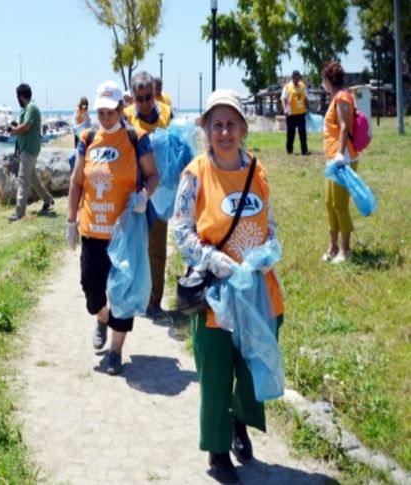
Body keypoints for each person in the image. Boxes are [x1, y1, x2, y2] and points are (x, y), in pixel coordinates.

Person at [174, 89, 284, 484]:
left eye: (231, 124)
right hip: (215, 298)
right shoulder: (194, 174)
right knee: (217, 374)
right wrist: (210, 259)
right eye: (216, 124)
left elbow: (269, 223)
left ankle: (238, 420)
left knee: (253, 369)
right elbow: (182, 230)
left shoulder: (258, 170)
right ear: (206, 128)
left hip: (258, 293)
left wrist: (270, 249)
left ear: (243, 128)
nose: (224, 132)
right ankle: (218, 451)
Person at [66, 80, 159, 376]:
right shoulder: (87, 137)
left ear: (122, 108)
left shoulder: (136, 138)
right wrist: (70, 220)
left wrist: (145, 196)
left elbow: (153, 175)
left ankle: (116, 351)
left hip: (125, 233)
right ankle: (101, 318)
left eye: (110, 111)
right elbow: (77, 182)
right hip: (92, 231)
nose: (106, 117)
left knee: (124, 294)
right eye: (101, 112)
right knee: (91, 291)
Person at [124, 71, 172, 321]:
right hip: (135, 191)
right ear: (133, 97)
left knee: (157, 249)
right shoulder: (127, 117)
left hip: (160, 192)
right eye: (139, 98)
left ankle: (154, 302)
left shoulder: (165, 112)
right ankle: (132, 296)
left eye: (148, 97)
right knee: (133, 246)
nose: (144, 103)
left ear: (155, 94)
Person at [321, 60, 358, 264]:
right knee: (329, 203)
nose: (322, 83)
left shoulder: (342, 97)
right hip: (332, 160)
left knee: (340, 205)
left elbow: (344, 127)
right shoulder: (335, 98)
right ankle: (333, 245)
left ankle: (345, 249)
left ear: (328, 79)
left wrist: (340, 155)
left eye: (323, 79)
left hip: (342, 159)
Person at [7, 83, 54, 221]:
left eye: (17, 96)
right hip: (27, 149)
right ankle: (47, 199)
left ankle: (19, 212)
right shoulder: (27, 109)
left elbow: (26, 126)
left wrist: (14, 130)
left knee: (23, 180)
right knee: (32, 178)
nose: (17, 99)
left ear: (21, 96)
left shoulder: (31, 108)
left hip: (29, 149)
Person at [281, 70, 310, 155]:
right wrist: (284, 109)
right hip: (291, 114)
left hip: (301, 113)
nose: (298, 79)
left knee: (303, 134)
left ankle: (304, 151)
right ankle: (289, 150)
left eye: (299, 77)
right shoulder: (287, 87)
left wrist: (308, 107)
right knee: (291, 134)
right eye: (297, 77)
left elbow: (305, 97)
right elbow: (283, 99)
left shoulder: (302, 86)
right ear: (293, 77)